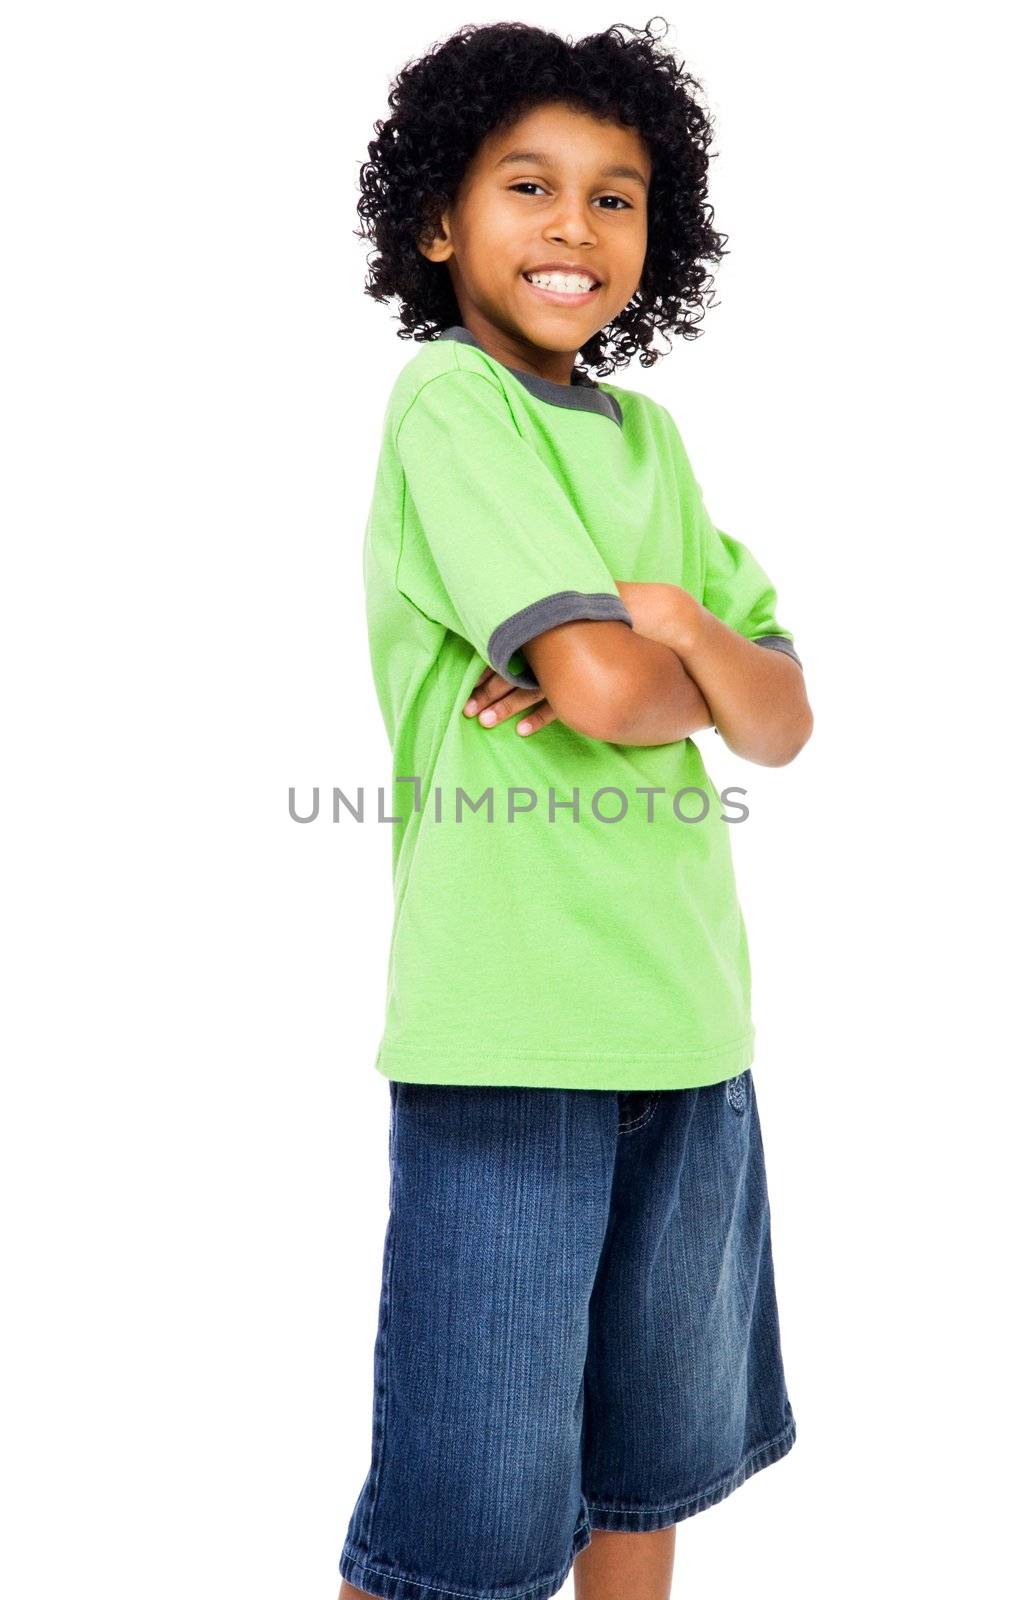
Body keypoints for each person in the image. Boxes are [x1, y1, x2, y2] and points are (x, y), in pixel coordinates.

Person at [337, 20, 813, 1600]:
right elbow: (612, 705)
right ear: (436, 219)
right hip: (509, 1043)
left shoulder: (650, 443)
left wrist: (659, 623)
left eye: (616, 198)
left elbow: (781, 717)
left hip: (684, 1031)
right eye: (527, 185)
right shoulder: (447, 407)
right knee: (461, 1520)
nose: (573, 228)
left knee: (641, 1472)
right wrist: (649, 657)